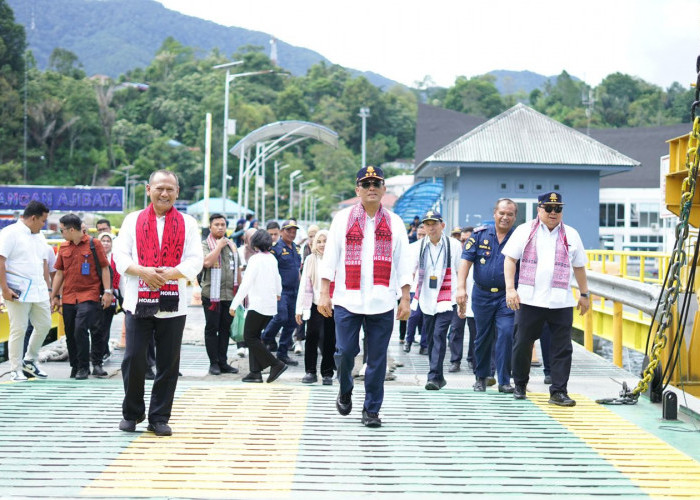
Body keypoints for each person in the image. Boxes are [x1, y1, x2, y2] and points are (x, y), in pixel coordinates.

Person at [318, 165, 412, 428]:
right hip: (347, 299)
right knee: (346, 352)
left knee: (377, 360)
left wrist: (405, 298)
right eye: (366, 184)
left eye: (376, 184)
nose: (371, 188)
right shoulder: (342, 219)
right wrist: (324, 293)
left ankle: (371, 409)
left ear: (383, 190)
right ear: (357, 189)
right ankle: (345, 387)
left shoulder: (394, 222)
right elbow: (330, 258)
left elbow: (403, 262)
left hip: (382, 300)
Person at [113, 170, 204, 436]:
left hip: (173, 303)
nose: (165, 194)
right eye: (160, 188)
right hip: (137, 300)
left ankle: (159, 416)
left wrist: (167, 274)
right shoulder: (132, 220)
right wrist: (144, 272)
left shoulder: (188, 223)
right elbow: (120, 255)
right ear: (148, 189)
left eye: (170, 189)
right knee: (133, 358)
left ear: (177, 192)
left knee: (168, 362)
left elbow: (195, 260)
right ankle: (132, 412)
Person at [503, 191, 589, 406]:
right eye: (549, 208)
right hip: (529, 300)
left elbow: (579, 266)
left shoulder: (571, 234)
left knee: (562, 348)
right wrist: (510, 289)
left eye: (558, 209)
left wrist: (585, 294)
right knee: (522, 343)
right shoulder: (525, 231)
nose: (553, 213)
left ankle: (558, 391)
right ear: (539, 209)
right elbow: (510, 260)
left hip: (560, 301)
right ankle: (520, 385)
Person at [457, 198, 518, 394]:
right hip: (482, 295)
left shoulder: (519, 238)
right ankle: (481, 377)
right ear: (494, 214)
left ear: (515, 217)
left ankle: (504, 380)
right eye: (502, 213)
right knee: (482, 337)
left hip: (506, 297)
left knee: (507, 334)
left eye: (510, 214)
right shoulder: (479, 236)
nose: (505, 217)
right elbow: (465, 262)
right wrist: (460, 289)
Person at [50, 214, 113, 379]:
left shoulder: (94, 244)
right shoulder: (63, 247)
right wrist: (54, 295)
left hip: (89, 293)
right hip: (69, 296)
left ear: (71, 229)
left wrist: (108, 292)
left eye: (62, 229)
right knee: (70, 333)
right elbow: (59, 273)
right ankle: (76, 365)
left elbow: (104, 268)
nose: (61, 233)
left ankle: (87, 366)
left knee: (81, 329)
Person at [0, 201, 52, 381]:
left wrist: (49, 287)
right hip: (17, 292)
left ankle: (30, 360)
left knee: (44, 325)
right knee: (19, 329)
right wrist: (4, 289)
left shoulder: (40, 235)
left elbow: (44, 263)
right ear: (33, 218)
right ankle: (15, 368)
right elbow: (0, 261)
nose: (44, 224)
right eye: (43, 220)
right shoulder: (9, 233)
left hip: (39, 290)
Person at [410, 211, 462, 390]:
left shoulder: (453, 245)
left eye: (434, 223)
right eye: (427, 224)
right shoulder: (418, 246)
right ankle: (439, 377)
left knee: (439, 335)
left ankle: (432, 377)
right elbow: (411, 271)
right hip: (426, 299)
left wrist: (462, 297)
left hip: (447, 299)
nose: (431, 227)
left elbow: (459, 271)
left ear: (442, 225)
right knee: (432, 338)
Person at [229, 229, 287, 383]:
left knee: (249, 337)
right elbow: (278, 279)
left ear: (254, 243)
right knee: (255, 336)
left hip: (258, 305)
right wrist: (278, 293)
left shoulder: (255, 259)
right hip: (270, 305)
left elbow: (246, 284)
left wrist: (234, 304)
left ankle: (276, 364)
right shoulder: (272, 258)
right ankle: (255, 373)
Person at [200, 213, 241, 375]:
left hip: (229, 295)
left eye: (223, 224)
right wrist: (218, 246)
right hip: (211, 295)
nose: (220, 227)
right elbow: (207, 262)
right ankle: (213, 363)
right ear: (210, 227)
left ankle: (223, 362)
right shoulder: (205, 244)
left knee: (225, 329)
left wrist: (240, 293)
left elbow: (237, 269)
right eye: (216, 224)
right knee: (212, 328)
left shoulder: (231, 245)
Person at [295, 229, 336, 385]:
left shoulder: (335, 259)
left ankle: (327, 373)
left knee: (329, 339)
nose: (322, 244)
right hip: (313, 304)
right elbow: (304, 284)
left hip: (332, 304)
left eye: (325, 241)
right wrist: (299, 309)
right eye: (319, 241)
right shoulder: (310, 260)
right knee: (311, 336)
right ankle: (310, 372)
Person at [261, 220, 302, 366]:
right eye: (289, 230)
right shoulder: (276, 249)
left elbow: (297, 270)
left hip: (294, 291)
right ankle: (263, 340)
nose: (292, 233)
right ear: (282, 232)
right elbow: (269, 271)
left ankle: (282, 352)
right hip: (281, 290)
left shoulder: (296, 248)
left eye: (294, 231)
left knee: (292, 322)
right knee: (281, 317)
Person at [447, 226, 473, 373]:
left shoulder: (480, 255)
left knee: (476, 331)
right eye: (463, 240)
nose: (465, 244)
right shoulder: (456, 254)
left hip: (475, 300)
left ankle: (472, 359)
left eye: (469, 240)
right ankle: (455, 360)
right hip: (456, 299)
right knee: (456, 329)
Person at [403, 223, 426, 353]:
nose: (421, 237)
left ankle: (424, 344)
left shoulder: (432, 247)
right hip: (414, 287)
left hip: (428, 287)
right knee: (414, 316)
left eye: (424, 234)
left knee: (426, 317)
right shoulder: (411, 248)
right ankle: (408, 340)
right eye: (419, 234)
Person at [98, 232, 118, 363]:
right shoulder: (93, 257)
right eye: (103, 240)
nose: (105, 243)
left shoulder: (116, 259)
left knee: (105, 326)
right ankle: (98, 351)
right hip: (94, 296)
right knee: (96, 326)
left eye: (108, 241)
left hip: (112, 296)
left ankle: (103, 351)